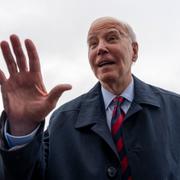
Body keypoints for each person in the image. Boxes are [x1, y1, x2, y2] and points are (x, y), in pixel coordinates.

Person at [0, 16, 180, 180]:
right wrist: (22, 130)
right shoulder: (62, 121)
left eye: (111, 38)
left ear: (134, 50)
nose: (101, 48)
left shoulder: (175, 109)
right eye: (93, 44)